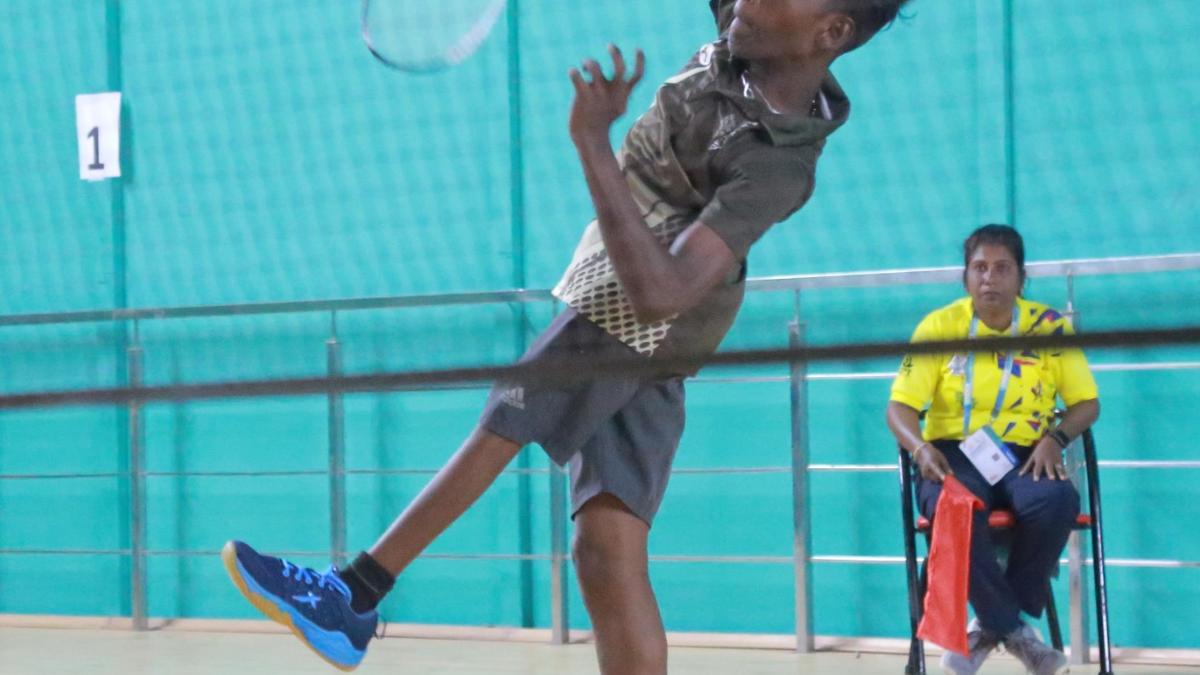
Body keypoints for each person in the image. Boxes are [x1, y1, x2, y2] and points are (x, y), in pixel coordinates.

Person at [223, 1, 910, 672]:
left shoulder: (778, 164)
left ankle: (356, 592)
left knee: (511, 408)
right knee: (607, 547)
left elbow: (663, 291)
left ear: (832, 31)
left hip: (649, 293)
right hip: (650, 316)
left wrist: (591, 143)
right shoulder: (747, 33)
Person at [886, 224, 1101, 675]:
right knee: (956, 506)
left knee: (1058, 500)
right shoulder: (937, 327)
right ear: (965, 277)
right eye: (979, 268)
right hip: (951, 455)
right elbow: (899, 408)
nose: (989, 278)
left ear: (1021, 278)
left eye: (1002, 268)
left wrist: (1056, 439)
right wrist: (920, 449)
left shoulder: (1049, 328)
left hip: (1028, 453)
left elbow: (1086, 403)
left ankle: (989, 626)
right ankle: (1017, 631)